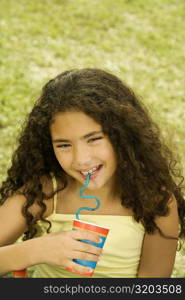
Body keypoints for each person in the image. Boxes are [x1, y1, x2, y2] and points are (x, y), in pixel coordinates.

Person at [0, 68, 184, 278]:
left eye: (94, 139)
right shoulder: (46, 191)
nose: (81, 159)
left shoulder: (155, 201)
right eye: (63, 145)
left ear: (123, 135)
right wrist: (33, 251)